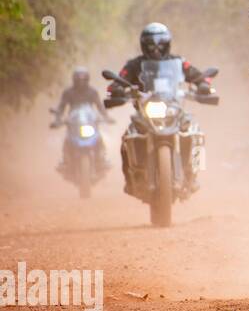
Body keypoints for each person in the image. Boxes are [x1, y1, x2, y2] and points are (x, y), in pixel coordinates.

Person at [107, 23, 215, 191]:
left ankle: (194, 174)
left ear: (167, 44)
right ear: (144, 45)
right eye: (151, 44)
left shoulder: (179, 62)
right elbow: (118, 80)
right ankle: (130, 179)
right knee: (127, 138)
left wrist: (203, 84)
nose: (156, 49)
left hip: (174, 109)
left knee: (197, 134)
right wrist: (117, 89)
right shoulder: (134, 65)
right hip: (145, 112)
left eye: (160, 44)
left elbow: (198, 75)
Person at [53, 66, 111, 169]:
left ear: (87, 79)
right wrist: (57, 119)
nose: (81, 82)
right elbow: (61, 107)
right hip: (74, 124)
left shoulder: (92, 92)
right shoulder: (68, 92)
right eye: (78, 80)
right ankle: (64, 161)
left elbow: (100, 106)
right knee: (67, 139)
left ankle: (102, 158)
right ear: (74, 80)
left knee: (99, 138)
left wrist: (106, 117)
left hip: (90, 122)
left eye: (84, 80)